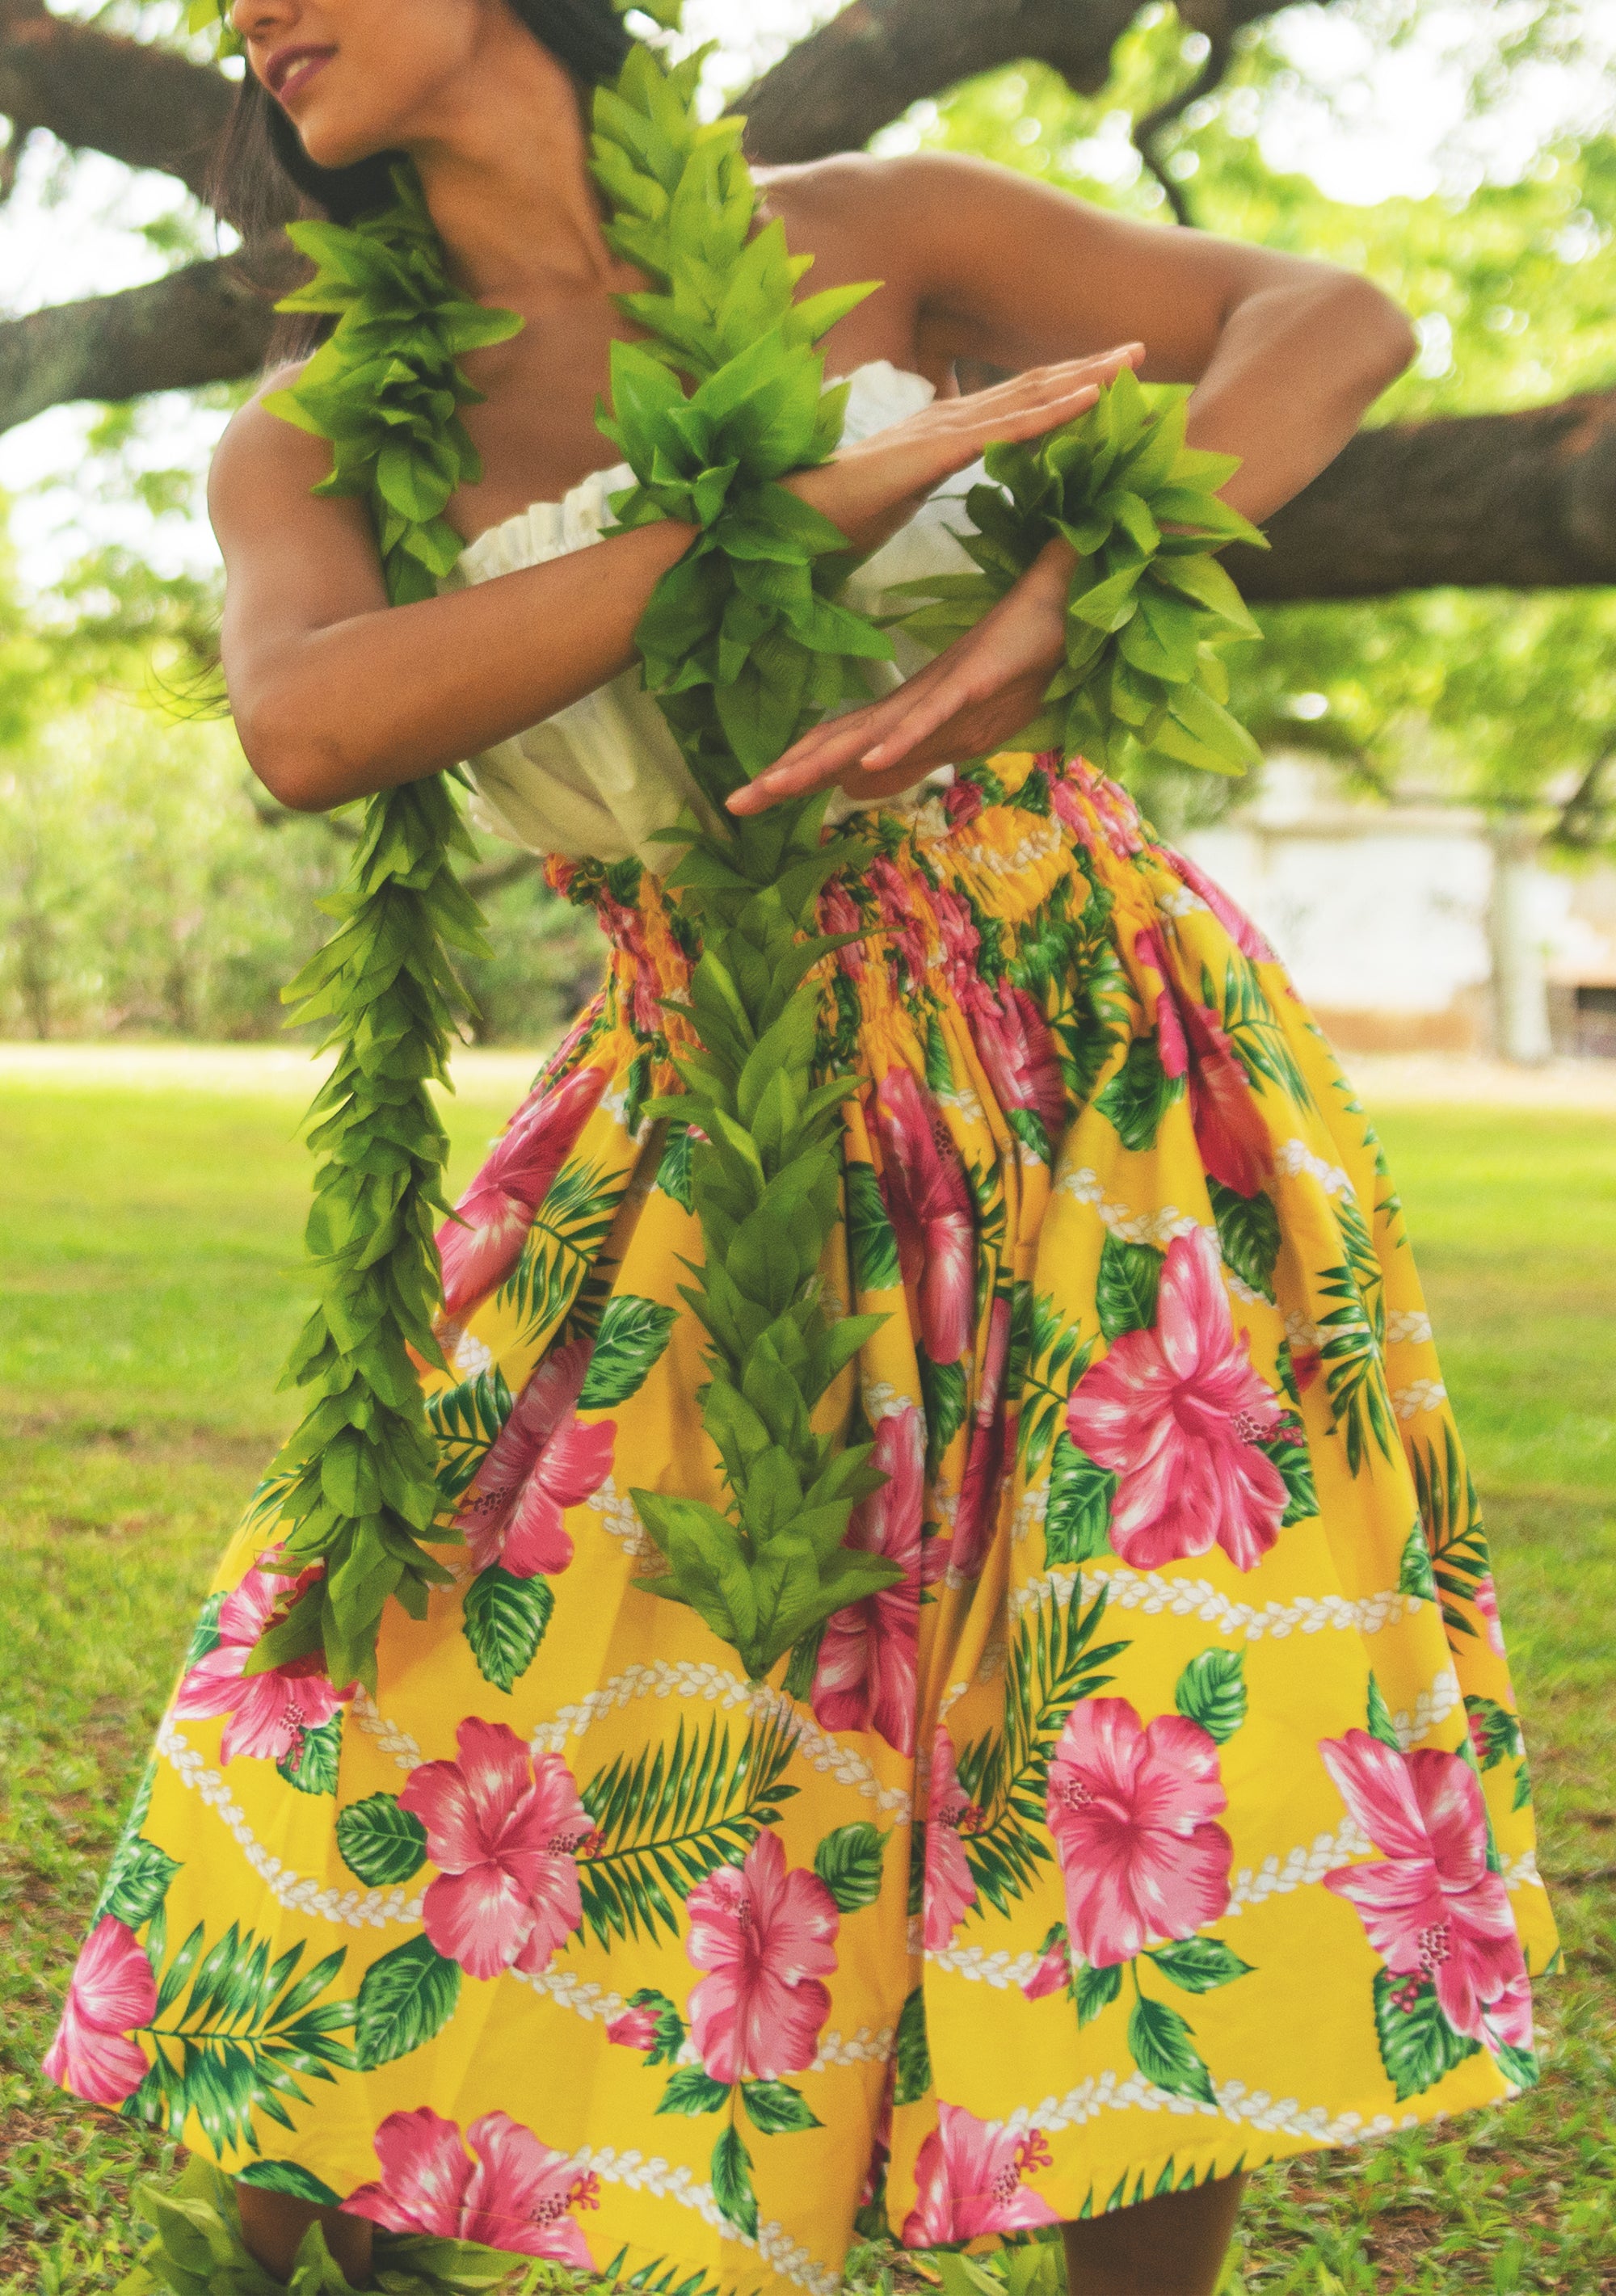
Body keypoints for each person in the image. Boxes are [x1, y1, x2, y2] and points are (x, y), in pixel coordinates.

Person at [44, 4, 1557, 2294]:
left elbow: (1328, 314)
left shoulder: (875, 235)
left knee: (1126, 1727)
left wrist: (1082, 583)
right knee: (398, 1689)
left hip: (1100, 1061)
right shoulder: (319, 438)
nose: (246, 6)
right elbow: (310, 721)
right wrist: (769, 519)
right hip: (692, 1094)